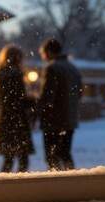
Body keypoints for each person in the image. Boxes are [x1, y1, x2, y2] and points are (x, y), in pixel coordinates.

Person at [38, 38, 82, 171]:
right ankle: (72, 181)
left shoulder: (52, 68)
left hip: (53, 121)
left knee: (52, 156)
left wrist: (36, 106)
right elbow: (78, 95)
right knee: (65, 153)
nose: (43, 58)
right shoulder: (74, 69)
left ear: (49, 52)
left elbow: (47, 97)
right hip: (70, 120)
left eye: (43, 54)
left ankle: (54, 185)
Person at [0, 45, 35, 173]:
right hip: (18, 120)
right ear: (18, 59)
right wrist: (34, 100)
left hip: (4, 119)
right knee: (23, 159)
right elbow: (20, 100)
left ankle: (3, 186)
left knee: (8, 159)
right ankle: (19, 187)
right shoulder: (16, 75)